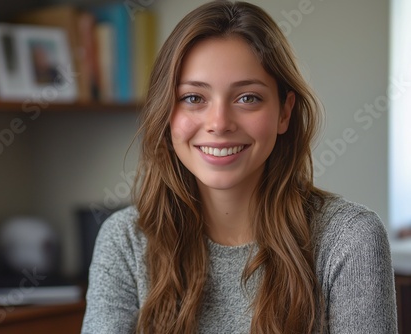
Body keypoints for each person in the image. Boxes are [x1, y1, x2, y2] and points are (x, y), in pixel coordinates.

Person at [81, 1, 397, 333]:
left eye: (247, 97)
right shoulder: (124, 240)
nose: (219, 123)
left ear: (284, 112)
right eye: (193, 98)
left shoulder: (349, 240)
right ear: (167, 112)